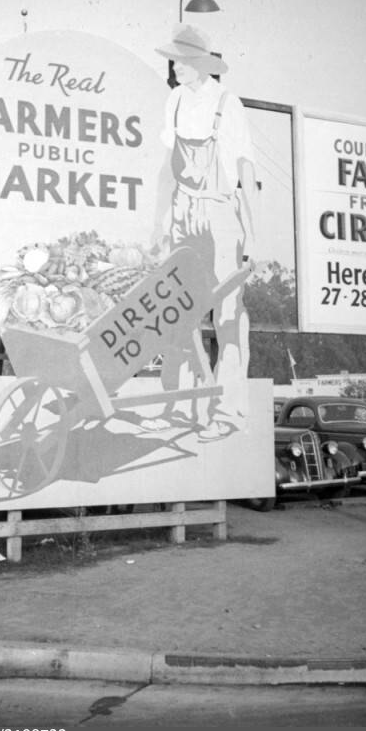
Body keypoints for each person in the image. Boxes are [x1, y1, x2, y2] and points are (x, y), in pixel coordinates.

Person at [152, 24, 258, 440]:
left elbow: (245, 170)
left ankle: (229, 412)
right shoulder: (175, 100)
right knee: (177, 310)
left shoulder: (228, 104)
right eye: (172, 61)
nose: (174, 67)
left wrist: (252, 233)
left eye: (180, 60)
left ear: (199, 63)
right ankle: (178, 406)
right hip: (184, 210)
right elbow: (167, 166)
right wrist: (159, 224)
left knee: (228, 313)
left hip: (220, 212)